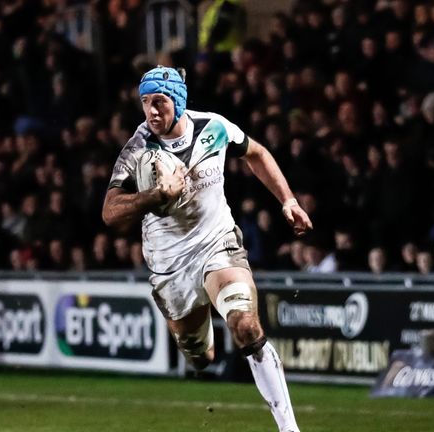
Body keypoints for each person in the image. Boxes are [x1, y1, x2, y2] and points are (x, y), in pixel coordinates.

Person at [102, 66, 312, 432]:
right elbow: (109, 211)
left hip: (217, 245)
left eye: (160, 102)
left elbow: (257, 153)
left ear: (178, 102)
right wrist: (156, 195)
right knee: (201, 357)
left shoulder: (213, 126)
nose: (151, 111)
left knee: (246, 325)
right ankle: (201, 338)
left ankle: (289, 428)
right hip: (170, 266)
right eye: (145, 102)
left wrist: (287, 200)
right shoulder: (137, 149)